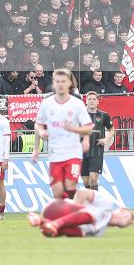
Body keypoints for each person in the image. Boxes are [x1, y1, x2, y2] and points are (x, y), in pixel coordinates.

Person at [32, 68, 93, 200]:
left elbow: (88, 128)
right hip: (54, 153)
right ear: (53, 83)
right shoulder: (46, 103)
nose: (60, 84)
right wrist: (37, 145)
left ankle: (83, 203)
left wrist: (76, 131)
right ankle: (74, 209)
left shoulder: (77, 104)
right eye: (57, 81)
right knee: (57, 191)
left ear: (69, 83)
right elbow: (38, 124)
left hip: (73, 152)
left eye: (63, 81)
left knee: (70, 185)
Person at [27, 188, 134, 238]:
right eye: (125, 215)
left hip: (50, 223)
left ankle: (41, 221)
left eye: (126, 221)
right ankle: (54, 223)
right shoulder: (107, 205)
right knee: (90, 217)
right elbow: (82, 192)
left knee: (81, 233)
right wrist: (76, 209)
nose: (123, 219)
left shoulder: (99, 231)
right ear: (121, 209)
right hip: (58, 208)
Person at [81, 91, 115, 190]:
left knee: (93, 178)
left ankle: (94, 203)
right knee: (86, 180)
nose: (91, 101)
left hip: (97, 151)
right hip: (82, 151)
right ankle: (90, 197)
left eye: (94, 99)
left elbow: (112, 129)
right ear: (86, 101)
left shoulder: (104, 115)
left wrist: (106, 139)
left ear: (98, 102)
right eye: (89, 99)